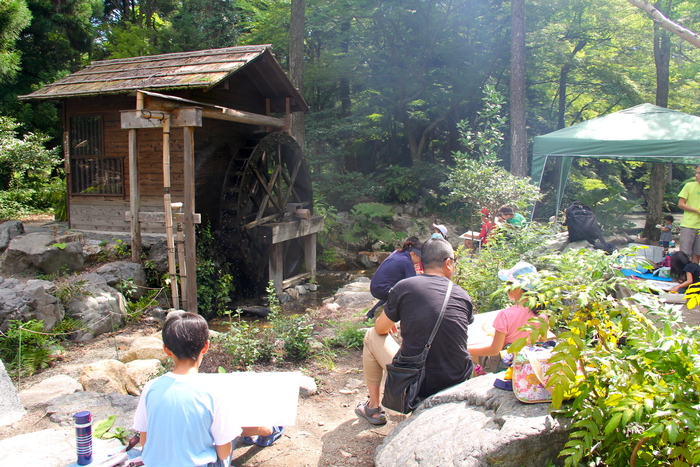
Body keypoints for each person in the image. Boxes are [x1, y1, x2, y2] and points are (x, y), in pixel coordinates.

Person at [133, 311, 282, 467]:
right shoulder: (214, 391)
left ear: (166, 349)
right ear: (205, 346)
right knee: (228, 424)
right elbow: (223, 453)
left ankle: (265, 430)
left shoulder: (151, 387)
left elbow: (144, 441)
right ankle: (268, 430)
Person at [356, 238, 474, 425]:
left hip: (419, 383)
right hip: (455, 378)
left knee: (371, 335)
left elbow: (380, 329)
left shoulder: (405, 287)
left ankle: (374, 407)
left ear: (422, 261)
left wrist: (396, 317)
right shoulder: (462, 295)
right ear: (448, 263)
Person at [467, 262, 548, 372]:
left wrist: (465, 350)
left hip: (506, 363)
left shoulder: (505, 315)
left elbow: (494, 350)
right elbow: (542, 343)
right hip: (530, 362)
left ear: (517, 288)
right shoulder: (542, 314)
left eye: (508, 283)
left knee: (471, 355)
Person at [366, 237, 423, 319]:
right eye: (420, 259)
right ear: (414, 254)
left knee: (395, 289)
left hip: (375, 286)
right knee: (405, 292)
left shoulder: (397, 253)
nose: (419, 262)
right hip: (381, 290)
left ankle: (370, 314)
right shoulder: (407, 262)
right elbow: (413, 285)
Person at [677, 165, 700, 263]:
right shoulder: (689, 185)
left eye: (699, 173)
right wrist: (696, 211)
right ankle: (682, 276)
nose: (697, 175)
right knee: (684, 253)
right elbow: (681, 204)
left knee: (697, 253)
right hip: (689, 224)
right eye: (697, 172)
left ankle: (693, 276)